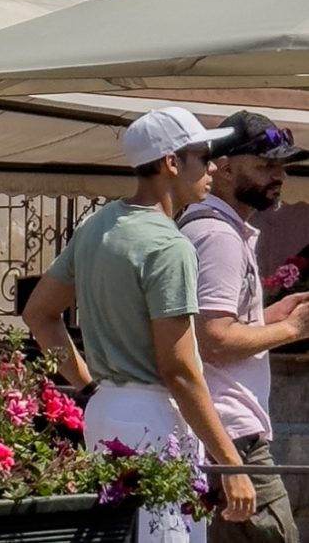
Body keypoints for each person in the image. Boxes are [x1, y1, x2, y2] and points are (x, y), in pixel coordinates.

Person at [23, 107, 254, 542]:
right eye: (203, 157)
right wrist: (231, 464)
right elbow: (179, 370)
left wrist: (88, 386)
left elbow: (38, 315)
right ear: (171, 162)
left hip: (106, 412)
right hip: (155, 418)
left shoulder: (96, 226)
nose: (212, 168)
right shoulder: (169, 245)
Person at [179, 112, 309, 543]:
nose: (279, 175)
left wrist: (269, 318)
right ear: (225, 168)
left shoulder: (212, 228)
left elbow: (206, 328)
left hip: (220, 430)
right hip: (232, 432)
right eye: (265, 164)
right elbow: (213, 340)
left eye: (281, 165)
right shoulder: (218, 237)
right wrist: (293, 329)